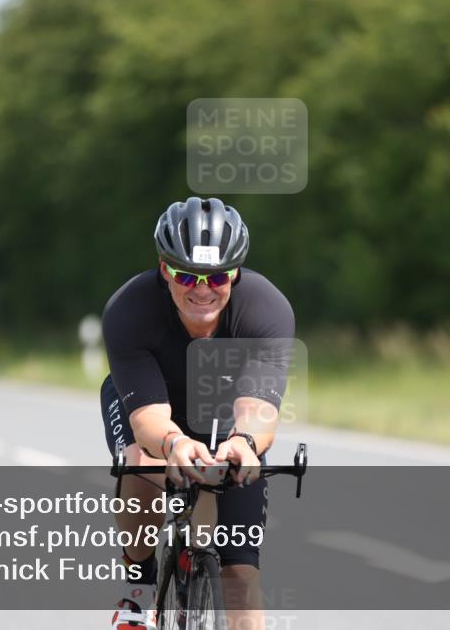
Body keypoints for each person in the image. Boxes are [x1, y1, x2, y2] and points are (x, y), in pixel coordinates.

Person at [101, 197, 294, 630]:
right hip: (148, 403)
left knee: (241, 573)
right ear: (163, 269)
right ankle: (139, 586)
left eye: (217, 276)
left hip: (226, 414)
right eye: (185, 275)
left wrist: (243, 444)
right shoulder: (129, 310)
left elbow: (259, 407)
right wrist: (174, 442)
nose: (202, 288)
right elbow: (149, 420)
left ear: (236, 272)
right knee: (142, 462)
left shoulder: (265, 310)